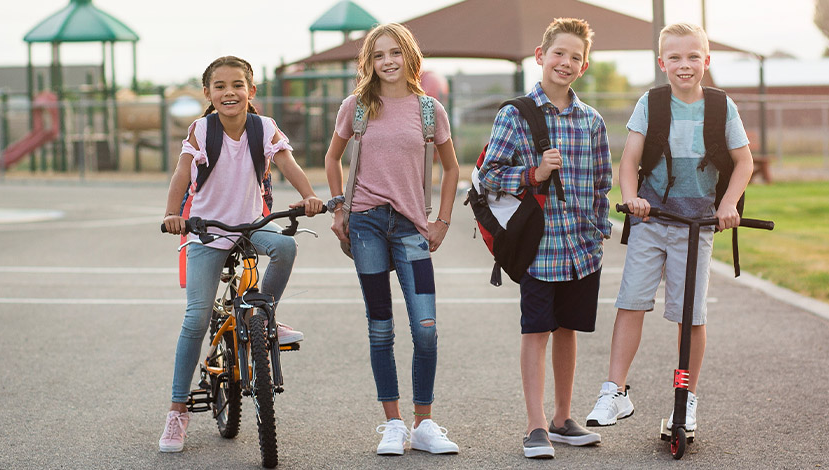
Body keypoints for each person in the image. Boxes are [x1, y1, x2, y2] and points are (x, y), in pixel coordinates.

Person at [585, 23, 753, 434]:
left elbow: (744, 162)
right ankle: (615, 391)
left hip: (698, 224)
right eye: (674, 58)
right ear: (662, 64)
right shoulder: (652, 103)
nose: (684, 65)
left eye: (693, 57)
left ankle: (685, 396)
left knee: (690, 316)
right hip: (653, 220)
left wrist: (727, 204)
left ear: (706, 61)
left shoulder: (720, 106)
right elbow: (629, 161)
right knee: (632, 301)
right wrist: (633, 198)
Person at [158, 56, 324, 453]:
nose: (229, 92)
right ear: (208, 94)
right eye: (220, 86)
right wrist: (171, 214)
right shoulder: (201, 129)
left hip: (252, 223)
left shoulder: (263, 127)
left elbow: (287, 163)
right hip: (207, 230)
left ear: (252, 91)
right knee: (196, 317)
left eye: (237, 85)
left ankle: (266, 315)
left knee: (285, 245)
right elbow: (182, 173)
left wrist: (309, 196)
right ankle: (177, 410)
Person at [323, 23, 462, 457]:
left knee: (425, 328)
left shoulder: (428, 110)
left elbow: (452, 168)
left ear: (409, 57)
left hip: (411, 228)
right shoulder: (357, 107)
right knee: (380, 327)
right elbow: (332, 157)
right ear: (370, 62)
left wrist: (441, 220)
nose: (387, 61)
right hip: (365, 224)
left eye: (395, 53)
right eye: (379, 54)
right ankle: (393, 424)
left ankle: (424, 423)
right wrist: (339, 208)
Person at [479, 18, 611, 459]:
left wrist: (598, 233)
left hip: (580, 249)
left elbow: (601, 185)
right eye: (559, 53)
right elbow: (488, 178)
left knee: (568, 330)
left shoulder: (591, 121)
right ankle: (535, 427)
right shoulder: (515, 114)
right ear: (541, 56)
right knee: (536, 331)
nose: (566, 62)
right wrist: (534, 172)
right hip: (539, 248)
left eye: (575, 57)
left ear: (584, 66)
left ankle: (562, 419)